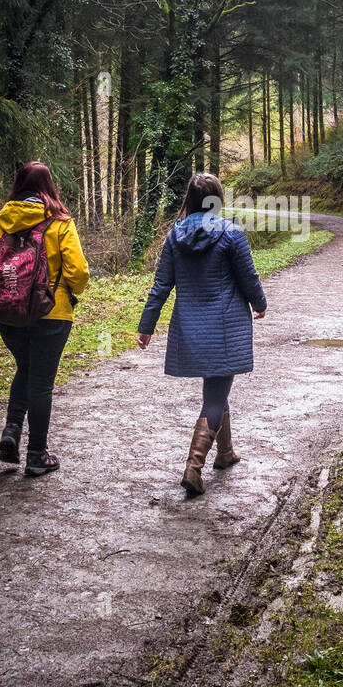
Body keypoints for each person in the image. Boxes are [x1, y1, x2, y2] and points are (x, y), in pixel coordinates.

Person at [137, 171, 267, 496]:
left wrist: (146, 326)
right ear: (217, 200)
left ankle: (225, 454)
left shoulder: (174, 236)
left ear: (190, 201)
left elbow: (161, 286)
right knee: (214, 396)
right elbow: (248, 277)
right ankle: (193, 468)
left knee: (217, 390)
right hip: (225, 328)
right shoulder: (231, 233)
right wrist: (260, 303)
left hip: (192, 328)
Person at [0, 161, 89, 477]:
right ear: (49, 186)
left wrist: (4, 292)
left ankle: (11, 430)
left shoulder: (1, 221)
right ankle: (36, 455)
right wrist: (69, 292)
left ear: (18, 185)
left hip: (9, 315)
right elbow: (79, 272)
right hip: (53, 313)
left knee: (25, 368)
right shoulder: (61, 223)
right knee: (40, 383)